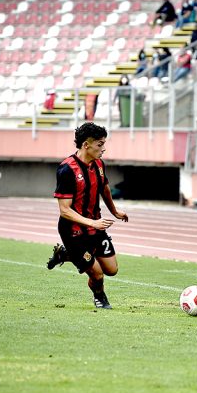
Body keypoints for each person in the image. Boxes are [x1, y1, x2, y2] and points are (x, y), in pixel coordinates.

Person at [46, 122, 129, 309]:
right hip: (73, 230)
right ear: (86, 145)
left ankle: (65, 254)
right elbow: (64, 210)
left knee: (112, 270)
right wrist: (93, 222)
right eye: (100, 144)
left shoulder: (99, 164)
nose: (103, 148)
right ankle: (100, 297)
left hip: (95, 225)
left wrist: (114, 210)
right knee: (97, 274)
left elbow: (105, 188)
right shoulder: (67, 170)